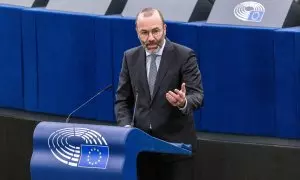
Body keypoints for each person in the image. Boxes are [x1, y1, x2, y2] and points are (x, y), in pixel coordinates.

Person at [114, 7, 204, 180]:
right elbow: (122, 101)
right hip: (142, 150)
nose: (151, 38)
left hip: (176, 151)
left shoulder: (184, 56)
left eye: (155, 31)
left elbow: (197, 95)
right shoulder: (130, 57)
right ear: (137, 32)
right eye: (144, 33)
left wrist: (183, 102)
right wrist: (126, 129)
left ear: (164, 28)